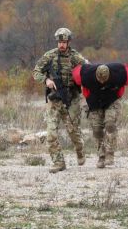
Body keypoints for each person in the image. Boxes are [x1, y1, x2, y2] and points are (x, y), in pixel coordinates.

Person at [32, 28, 87, 173]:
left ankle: (80, 149)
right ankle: (59, 162)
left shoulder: (75, 57)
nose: (61, 45)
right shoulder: (50, 56)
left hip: (71, 99)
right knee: (51, 133)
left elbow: (88, 69)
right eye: (59, 42)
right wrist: (46, 80)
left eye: (64, 42)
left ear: (68, 42)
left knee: (73, 131)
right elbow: (36, 71)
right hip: (54, 99)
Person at [73, 62, 128, 168]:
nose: (102, 82)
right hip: (95, 102)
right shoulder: (86, 75)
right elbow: (75, 73)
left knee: (110, 124)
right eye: (99, 79)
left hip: (112, 100)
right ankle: (101, 156)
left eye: (104, 79)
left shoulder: (119, 74)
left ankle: (110, 154)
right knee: (97, 130)